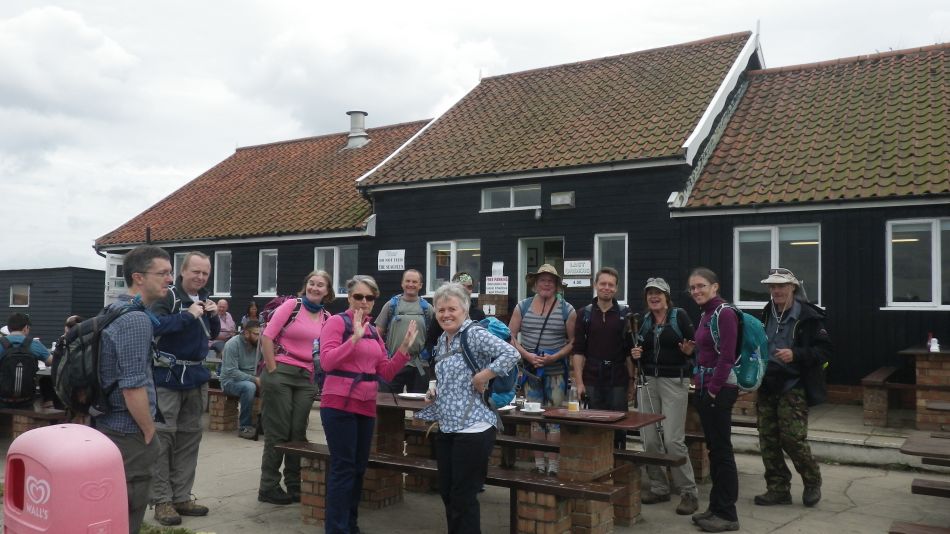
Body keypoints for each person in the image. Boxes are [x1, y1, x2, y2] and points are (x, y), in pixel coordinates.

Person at [415, 282, 519, 534]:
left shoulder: (474, 333)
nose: (446, 314)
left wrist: (484, 375)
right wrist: (434, 390)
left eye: (452, 308)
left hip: (475, 427)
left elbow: (511, 354)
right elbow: (446, 376)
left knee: (463, 496)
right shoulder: (442, 340)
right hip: (447, 426)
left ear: (464, 309)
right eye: (441, 310)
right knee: (448, 493)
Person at [319, 275, 416, 534]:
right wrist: (353, 339)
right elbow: (327, 363)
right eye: (358, 296)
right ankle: (337, 529)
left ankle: (350, 525)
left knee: (359, 469)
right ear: (349, 298)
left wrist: (404, 348)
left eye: (369, 297)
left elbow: (385, 372)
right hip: (339, 404)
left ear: (375, 301)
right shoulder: (337, 323)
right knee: (343, 468)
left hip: (364, 406)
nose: (363, 302)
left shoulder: (373, 331)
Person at [94, 245, 167, 534]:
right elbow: (133, 385)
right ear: (138, 277)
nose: (169, 279)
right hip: (129, 430)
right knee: (129, 509)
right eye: (162, 273)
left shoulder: (113, 308)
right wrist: (149, 431)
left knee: (109, 507)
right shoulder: (136, 319)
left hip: (107, 421)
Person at [150, 251, 221, 526]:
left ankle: (181, 496)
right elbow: (154, 325)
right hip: (168, 378)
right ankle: (162, 500)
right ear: (183, 271)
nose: (200, 277)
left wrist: (212, 316)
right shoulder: (168, 297)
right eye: (196, 272)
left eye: (205, 273)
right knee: (163, 440)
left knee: (190, 439)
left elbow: (212, 335)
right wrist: (188, 316)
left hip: (196, 376)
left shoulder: (203, 299)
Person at [754, 268, 831, 508]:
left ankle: (812, 481)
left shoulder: (809, 316)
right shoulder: (766, 313)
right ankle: (778, 489)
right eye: (772, 287)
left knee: (793, 439)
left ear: (793, 288)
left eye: (782, 286)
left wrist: (796, 354)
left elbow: (825, 351)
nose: (776, 291)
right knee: (768, 440)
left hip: (794, 384)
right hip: (768, 384)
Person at [258, 271, 335, 505]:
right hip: (281, 371)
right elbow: (267, 336)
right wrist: (272, 369)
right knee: (278, 431)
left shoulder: (327, 317)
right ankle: (268, 486)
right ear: (305, 286)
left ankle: (294, 484)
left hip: (306, 378)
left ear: (328, 291)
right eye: (311, 283)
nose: (315, 287)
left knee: (297, 433)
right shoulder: (292, 305)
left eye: (320, 285)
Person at [630, 277, 700, 515]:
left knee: (672, 440)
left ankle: (688, 492)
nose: (654, 296)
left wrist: (690, 352)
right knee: (648, 438)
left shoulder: (679, 316)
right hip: (647, 381)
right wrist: (636, 353)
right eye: (650, 293)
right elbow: (637, 349)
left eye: (658, 292)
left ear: (667, 296)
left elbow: (696, 347)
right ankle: (659, 487)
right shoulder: (645, 321)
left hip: (674, 381)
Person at [508, 264, 576, 475]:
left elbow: (574, 342)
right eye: (542, 280)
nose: (546, 284)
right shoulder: (522, 307)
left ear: (557, 286)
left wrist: (554, 356)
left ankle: (553, 467)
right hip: (530, 374)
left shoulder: (568, 310)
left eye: (551, 281)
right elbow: (509, 336)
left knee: (554, 419)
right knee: (535, 419)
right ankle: (539, 466)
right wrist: (527, 355)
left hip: (556, 373)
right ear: (535, 284)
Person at [688, 267, 740, 532]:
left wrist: (711, 391)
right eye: (693, 287)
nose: (696, 291)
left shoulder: (724, 313)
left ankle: (728, 514)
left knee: (722, 452)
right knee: (714, 450)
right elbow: (706, 353)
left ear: (715, 287)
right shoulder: (705, 314)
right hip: (705, 388)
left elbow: (727, 357)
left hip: (718, 391)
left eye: (701, 286)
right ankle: (715, 507)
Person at [572, 267, 633, 450]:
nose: (607, 287)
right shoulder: (584, 314)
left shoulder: (625, 315)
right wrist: (579, 382)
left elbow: (629, 352)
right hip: (591, 377)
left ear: (616, 288)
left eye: (611, 284)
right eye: (603, 283)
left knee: (619, 426)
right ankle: (593, 468)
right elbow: (578, 351)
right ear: (595, 285)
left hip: (618, 379)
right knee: (592, 424)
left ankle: (618, 466)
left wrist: (631, 382)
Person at [375, 269, 433, 394]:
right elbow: (377, 333)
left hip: (419, 364)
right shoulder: (391, 305)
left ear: (420, 285)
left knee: (419, 404)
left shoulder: (427, 308)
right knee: (389, 402)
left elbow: (435, 335)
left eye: (414, 282)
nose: (411, 284)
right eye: (407, 281)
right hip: (393, 361)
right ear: (402, 283)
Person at [423, 272, 485, 361]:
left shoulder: (478, 313)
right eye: (462, 286)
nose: (466, 290)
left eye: (470, 287)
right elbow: (431, 341)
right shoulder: (443, 313)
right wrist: (436, 360)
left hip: (471, 366)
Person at [0, 313, 52, 408]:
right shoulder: (35, 344)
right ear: (25, 328)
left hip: (2, 400)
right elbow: (51, 362)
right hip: (26, 400)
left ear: (8, 328)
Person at [221, 319, 262, 440]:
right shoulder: (232, 344)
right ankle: (245, 426)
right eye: (256, 334)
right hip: (230, 382)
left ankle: (265, 424)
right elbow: (231, 372)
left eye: (260, 334)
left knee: (274, 385)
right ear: (246, 333)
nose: (258, 337)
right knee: (249, 387)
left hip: (251, 379)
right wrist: (254, 379)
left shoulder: (258, 344)